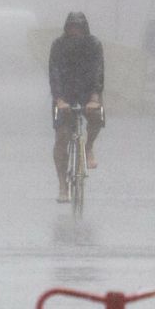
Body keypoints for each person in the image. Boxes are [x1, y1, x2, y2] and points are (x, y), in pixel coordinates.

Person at [50, 11, 105, 202]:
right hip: (64, 94)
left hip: (88, 92)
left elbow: (99, 71)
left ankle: (88, 146)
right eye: (71, 27)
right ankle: (63, 185)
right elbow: (54, 72)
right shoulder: (58, 45)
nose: (75, 32)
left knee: (97, 115)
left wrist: (95, 97)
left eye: (78, 28)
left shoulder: (94, 45)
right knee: (62, 137)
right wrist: (59, 99)